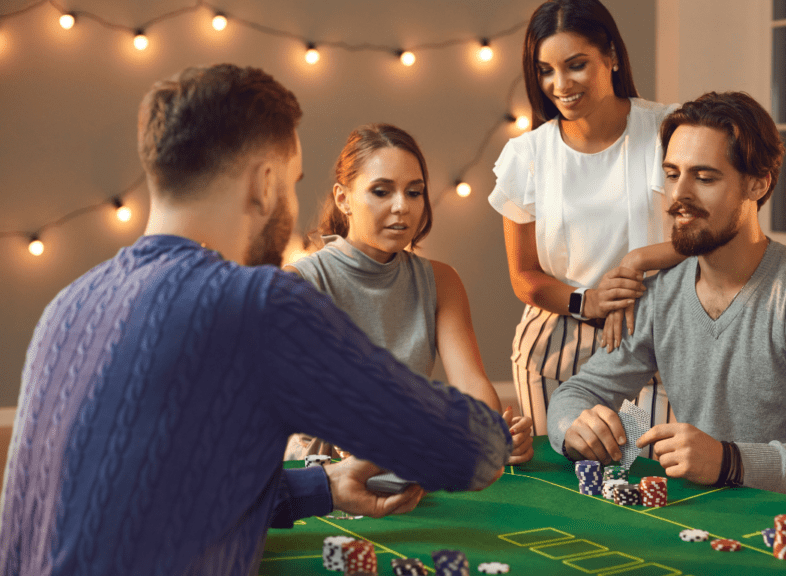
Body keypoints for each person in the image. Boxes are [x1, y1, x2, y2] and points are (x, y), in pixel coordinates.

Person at [0, 64, 511, 576]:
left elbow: (170, 492)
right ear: (266, 183)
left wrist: (323, 487)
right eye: (293, 182)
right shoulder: (259, 302)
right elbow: (470, 451)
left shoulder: (67, 306)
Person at [546, 91, 786, 511]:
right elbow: (579, 391)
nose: (678, 196)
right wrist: (574, 426)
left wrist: (729, 461)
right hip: (698, 520)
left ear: (757, 183)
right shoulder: (662, 293)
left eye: (704, 178)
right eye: (671, 174)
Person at [489, 0, 686, 442]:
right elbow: (524, 276)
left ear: (611, 55)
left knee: (651, 484)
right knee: (562, 492)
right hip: (552, 347)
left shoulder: (669, 131)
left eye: (576, 65)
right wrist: (588, 301)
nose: (560, 85)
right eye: (545, 71)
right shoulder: (527, 156)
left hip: (654, 339)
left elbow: (709, 232)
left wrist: (636, 262)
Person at [284, 123, 533, 464]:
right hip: (320, 474)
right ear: (343, 199)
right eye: (382, 191)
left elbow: (473, 387)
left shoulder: (441, 281)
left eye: (414, 192)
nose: (402, 206)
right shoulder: (300, 283)